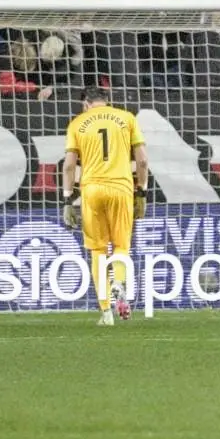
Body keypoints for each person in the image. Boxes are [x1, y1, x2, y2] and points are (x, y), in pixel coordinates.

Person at [61, 86, 149, 327]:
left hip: (92, 190)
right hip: (121, 188)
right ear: (107, 102)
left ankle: (106, 312)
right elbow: (141, 160)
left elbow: (69, 166)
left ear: (86, 104)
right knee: (121, 245)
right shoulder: (126, 118)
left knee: (98, 251)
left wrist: (68, 199)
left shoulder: (77, 123)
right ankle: (118, 282)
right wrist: (141, 191)